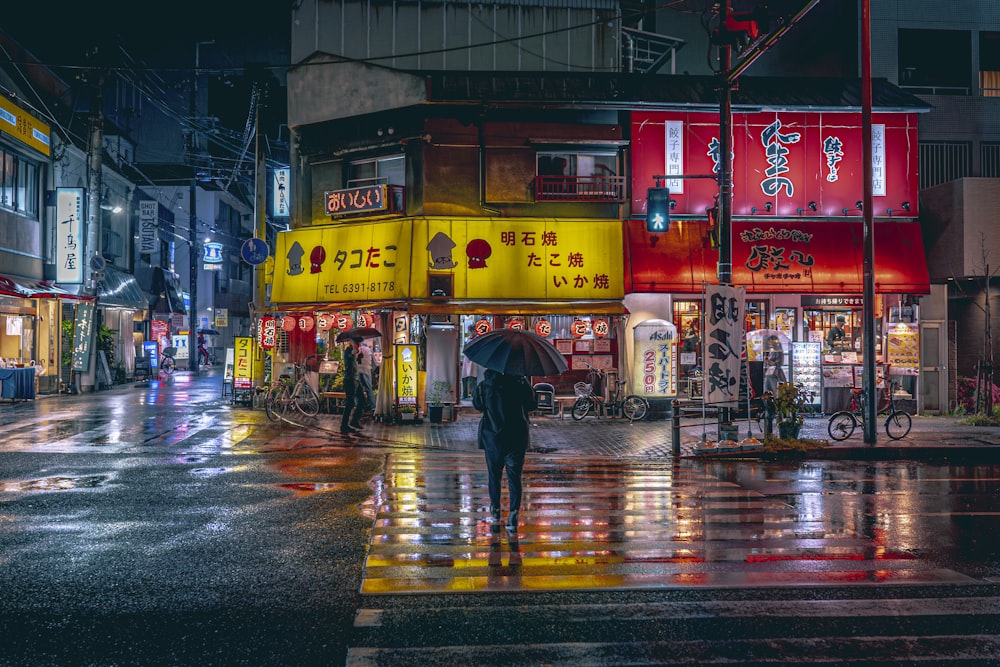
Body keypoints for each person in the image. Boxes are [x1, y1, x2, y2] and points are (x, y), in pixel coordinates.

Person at [472, 368, 538, 536]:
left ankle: (495, 508)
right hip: (516, 436)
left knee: (494, 475)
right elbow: (532, 404)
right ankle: (513, 514)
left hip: (492, 437)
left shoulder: (485, 384)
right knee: (514, 477)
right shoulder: (521, 383)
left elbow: (478, 405)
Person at [340, 338, 364, 435]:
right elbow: (349, 359)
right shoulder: (348, 351)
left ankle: (354, 420)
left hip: (355, 379)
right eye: (358, 343)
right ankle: (344, 425)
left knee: (362, 400)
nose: (359, 345)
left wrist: (358, 358)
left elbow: (353, 363)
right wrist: (354, 349)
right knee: (350, 403)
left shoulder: (352, 352)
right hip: (350, 380)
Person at [357, 339, 376, 412]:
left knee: (359, 389)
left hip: (358, 371)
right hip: (367, 371)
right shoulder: (369, 350)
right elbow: (374, 363)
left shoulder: (357, 349)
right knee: (369, 389)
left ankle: (359, 405)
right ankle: (372, 406)